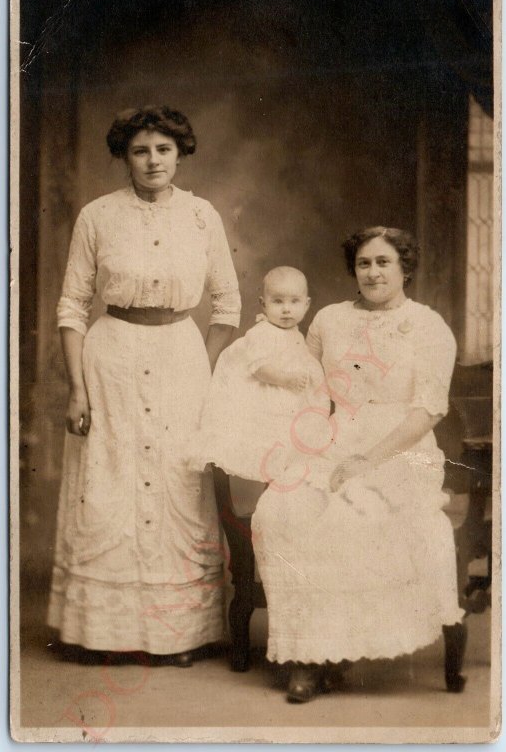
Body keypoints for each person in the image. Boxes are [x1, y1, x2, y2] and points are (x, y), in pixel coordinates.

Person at [47, 105, 241, 665]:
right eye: (140, 150)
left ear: (180, 153)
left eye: (163, 149)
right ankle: (103, 634)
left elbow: (227, 303)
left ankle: (180, 634)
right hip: (112, 362)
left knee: (178, 484)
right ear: (124, 157)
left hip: (181, 357)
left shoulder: (203, 216)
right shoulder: (97, 216)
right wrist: (79, 389)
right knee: (110, 481)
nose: (153, 161)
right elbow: (71, 305)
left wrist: (201, 373)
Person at [252, 226, 465, 702]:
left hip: (400, 450)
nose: (372, 272)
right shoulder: (328, 319)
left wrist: (366, 461)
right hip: (333, 439)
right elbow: (306, 387)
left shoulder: (429, 326)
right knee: (278, 511)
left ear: (404, 268)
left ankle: (332, 656)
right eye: (364, 263)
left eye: (383, 262)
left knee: (347, 519)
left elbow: (427, 410)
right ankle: (309, 652)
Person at [187, 266, 329, 483]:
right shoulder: (261, 333)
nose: (286, 310)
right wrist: (287, 379)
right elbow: (259, 368)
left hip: (285, 398)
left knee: (292, 444)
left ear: (307, 304)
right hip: (261, 397)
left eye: (294, 301)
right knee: (265, 443)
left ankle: (279, 487)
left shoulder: (294, 334)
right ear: (263, 304)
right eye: (278, 301)